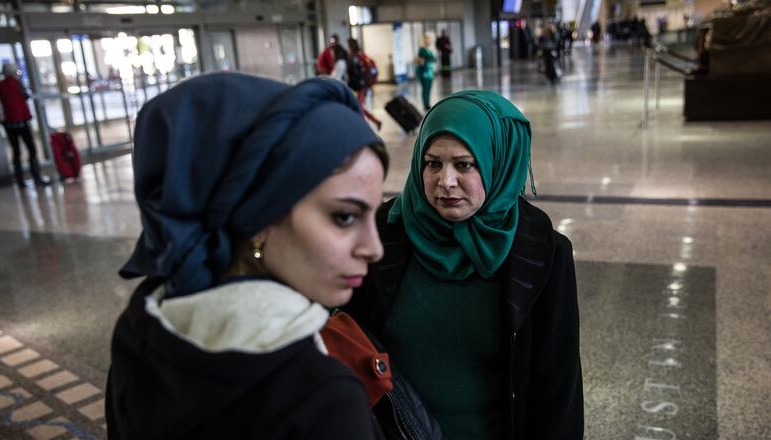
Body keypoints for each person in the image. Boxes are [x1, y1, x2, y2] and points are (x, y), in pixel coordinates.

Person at [105, 72, 389, 439]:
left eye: (373, 213)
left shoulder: (141, 330)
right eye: (344, 217)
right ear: (257, 217)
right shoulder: (321, 398)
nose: (375, 248)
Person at [345, 90, 584, 439]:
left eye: (464, 164)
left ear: (497, 163)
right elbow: (347, 340)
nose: (446, 182)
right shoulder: (384, 232)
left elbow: (558, 386)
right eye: (432, 163)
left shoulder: (543, 250)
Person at [0, 63, 49, 187]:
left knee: (16, 151)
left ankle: (20, 181)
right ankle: (36, 177)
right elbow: (26, 96)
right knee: (31, 149)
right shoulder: (17, 84)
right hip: (22, 122)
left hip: (8, 124)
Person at [347, 38, 382, 131]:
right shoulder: (362, 55)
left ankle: (365, 129)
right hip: (364, 86)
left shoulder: (355, 58)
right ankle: (376, 121)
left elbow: (356, 74)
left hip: (360, 87)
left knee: (358, 107)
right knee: (359, 106)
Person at [415, 33, 436, 111]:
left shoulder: (430, 50)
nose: (429, 41)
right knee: (425, 89)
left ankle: (428, 103)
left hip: (430, 73)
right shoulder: (422, 50)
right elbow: (421, 61)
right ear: (424, 40)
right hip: (424, 73)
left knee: (429, 89)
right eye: (427, 39)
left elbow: (433, 59)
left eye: (430, 39)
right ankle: (426, 104)